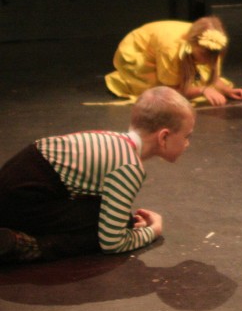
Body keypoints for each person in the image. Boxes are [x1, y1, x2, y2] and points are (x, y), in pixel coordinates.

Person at [0, 86, 195, 263]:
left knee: (114, 219)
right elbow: (113, 243)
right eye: (187, 136)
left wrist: (128, 223)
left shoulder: (114, 142)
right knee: (98, 231)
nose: (187, 143)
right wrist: (152, 231)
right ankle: (25, 245)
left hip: (16, 191)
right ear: (164, 137)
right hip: (19, 202)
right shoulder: (128, 165)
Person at [105, 16, 242, 106]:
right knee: (157, 94)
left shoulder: (213, 47)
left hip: (171, 51)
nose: (208, 60)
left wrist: (228, 91)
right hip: (138, 52)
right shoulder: (171, 50)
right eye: (203, 54)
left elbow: (213, 78)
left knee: (200, 80)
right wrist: (202, 90)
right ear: (192, 45)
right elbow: (169, 90)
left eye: (213, 56)